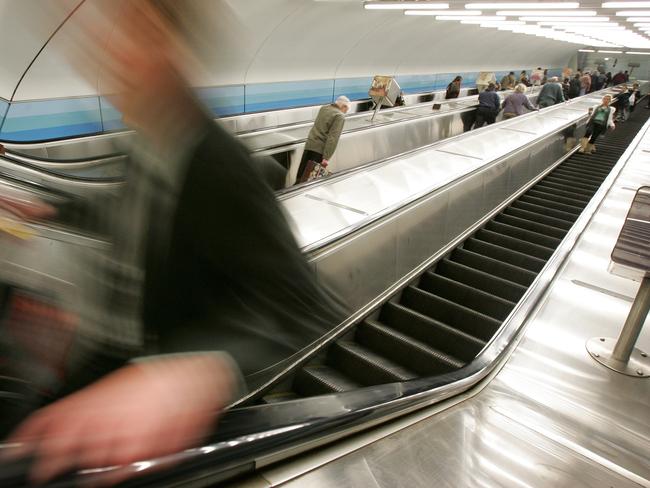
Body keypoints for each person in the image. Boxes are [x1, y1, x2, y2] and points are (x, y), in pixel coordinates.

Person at [0, 1, 347, 485]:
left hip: (157, 382)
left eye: (134, 34)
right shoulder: (149, 140)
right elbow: (130, 211)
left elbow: (306, 305)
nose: (110, 52)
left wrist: (193, 374)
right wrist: (49, 207)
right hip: (112, 358)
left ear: (175, 50)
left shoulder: (220, 164)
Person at [295, 95, 350, 184]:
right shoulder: (339, 116)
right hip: (319, 151)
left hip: (309, 146)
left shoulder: (324, 108)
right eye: (346, 111)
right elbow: (333, 138)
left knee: (300, 176)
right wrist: (326, 158)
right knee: (310, 180)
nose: (345, 113)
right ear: (344, 106)